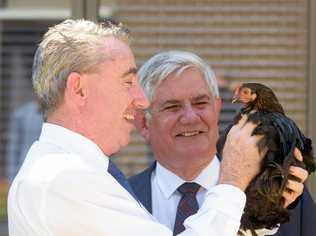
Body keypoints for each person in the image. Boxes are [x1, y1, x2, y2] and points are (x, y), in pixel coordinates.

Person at [7, 19, 269, 236]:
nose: (141, 99)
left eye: (200, 102)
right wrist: (233, 182)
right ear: (79, 89)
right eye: (127, 82)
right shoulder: (65, 178)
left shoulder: (62, 172)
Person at [128, 51, 315, 236]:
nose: (190, 117)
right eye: (172, 107)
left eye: (200, 103)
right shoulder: (120, 200)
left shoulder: (284, 192)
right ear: (144, 123)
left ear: (217, 109)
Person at [6, 100, 43, 183]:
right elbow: (13, 147)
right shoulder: (21, 114)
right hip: (25, 170)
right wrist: (12, 179)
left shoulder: (57, 115)